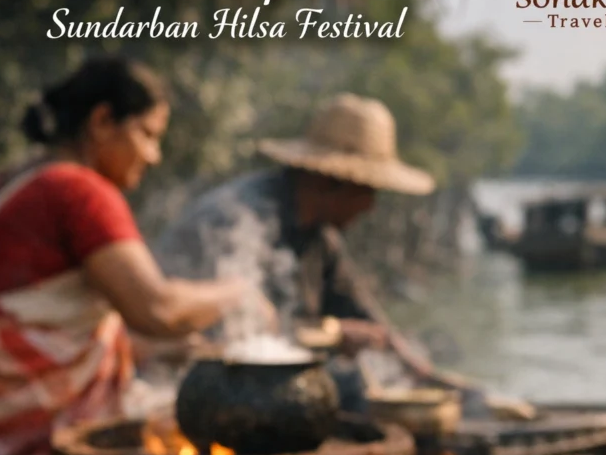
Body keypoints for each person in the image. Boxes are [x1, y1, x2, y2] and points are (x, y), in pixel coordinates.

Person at [0, 57, 274, 455]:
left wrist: (189, 348)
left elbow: (62, 328)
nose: (153, 155)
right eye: (147, 134)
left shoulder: (20, 176)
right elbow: (156, 309)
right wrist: (239, 292)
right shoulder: (78, 190)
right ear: (103, 120)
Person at [155, 93, 440, 376]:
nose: (370, 207)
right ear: (331, 181)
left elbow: (363, 317)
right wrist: (335, 334)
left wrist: (411, 362)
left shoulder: (320, 237)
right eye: (366, 191)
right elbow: (239, 335)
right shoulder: (238, 221)